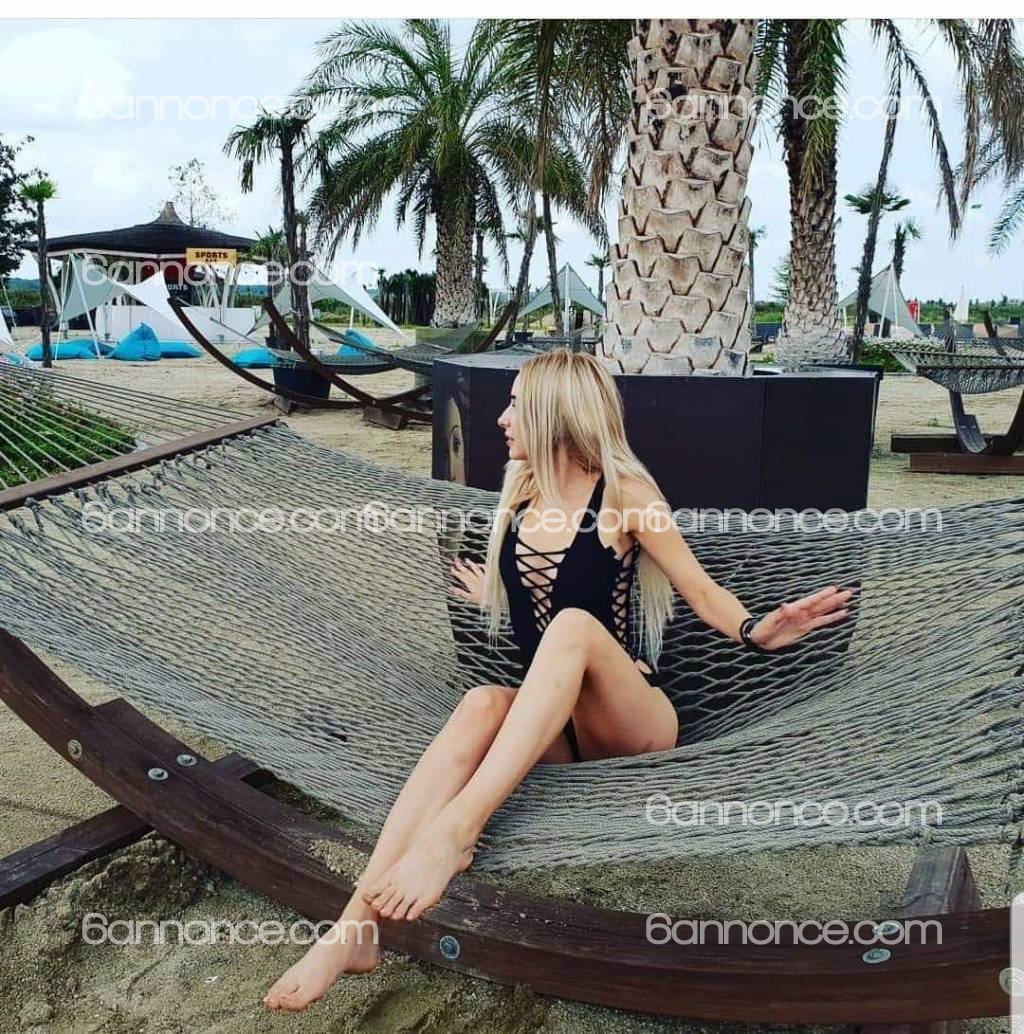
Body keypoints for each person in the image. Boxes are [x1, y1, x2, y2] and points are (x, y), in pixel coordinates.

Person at [264, 349, 853, 1011]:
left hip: (630, 721)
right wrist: (496, 591)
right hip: (554, 729)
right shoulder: (520, 495)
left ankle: (456, 832)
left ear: (556, 414)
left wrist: (755, 630)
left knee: (573, 626)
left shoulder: (625, 495)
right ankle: (354, 929)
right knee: (479, 702)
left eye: (517, 405)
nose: (502, 418)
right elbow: (536, 600)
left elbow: (700, 590)